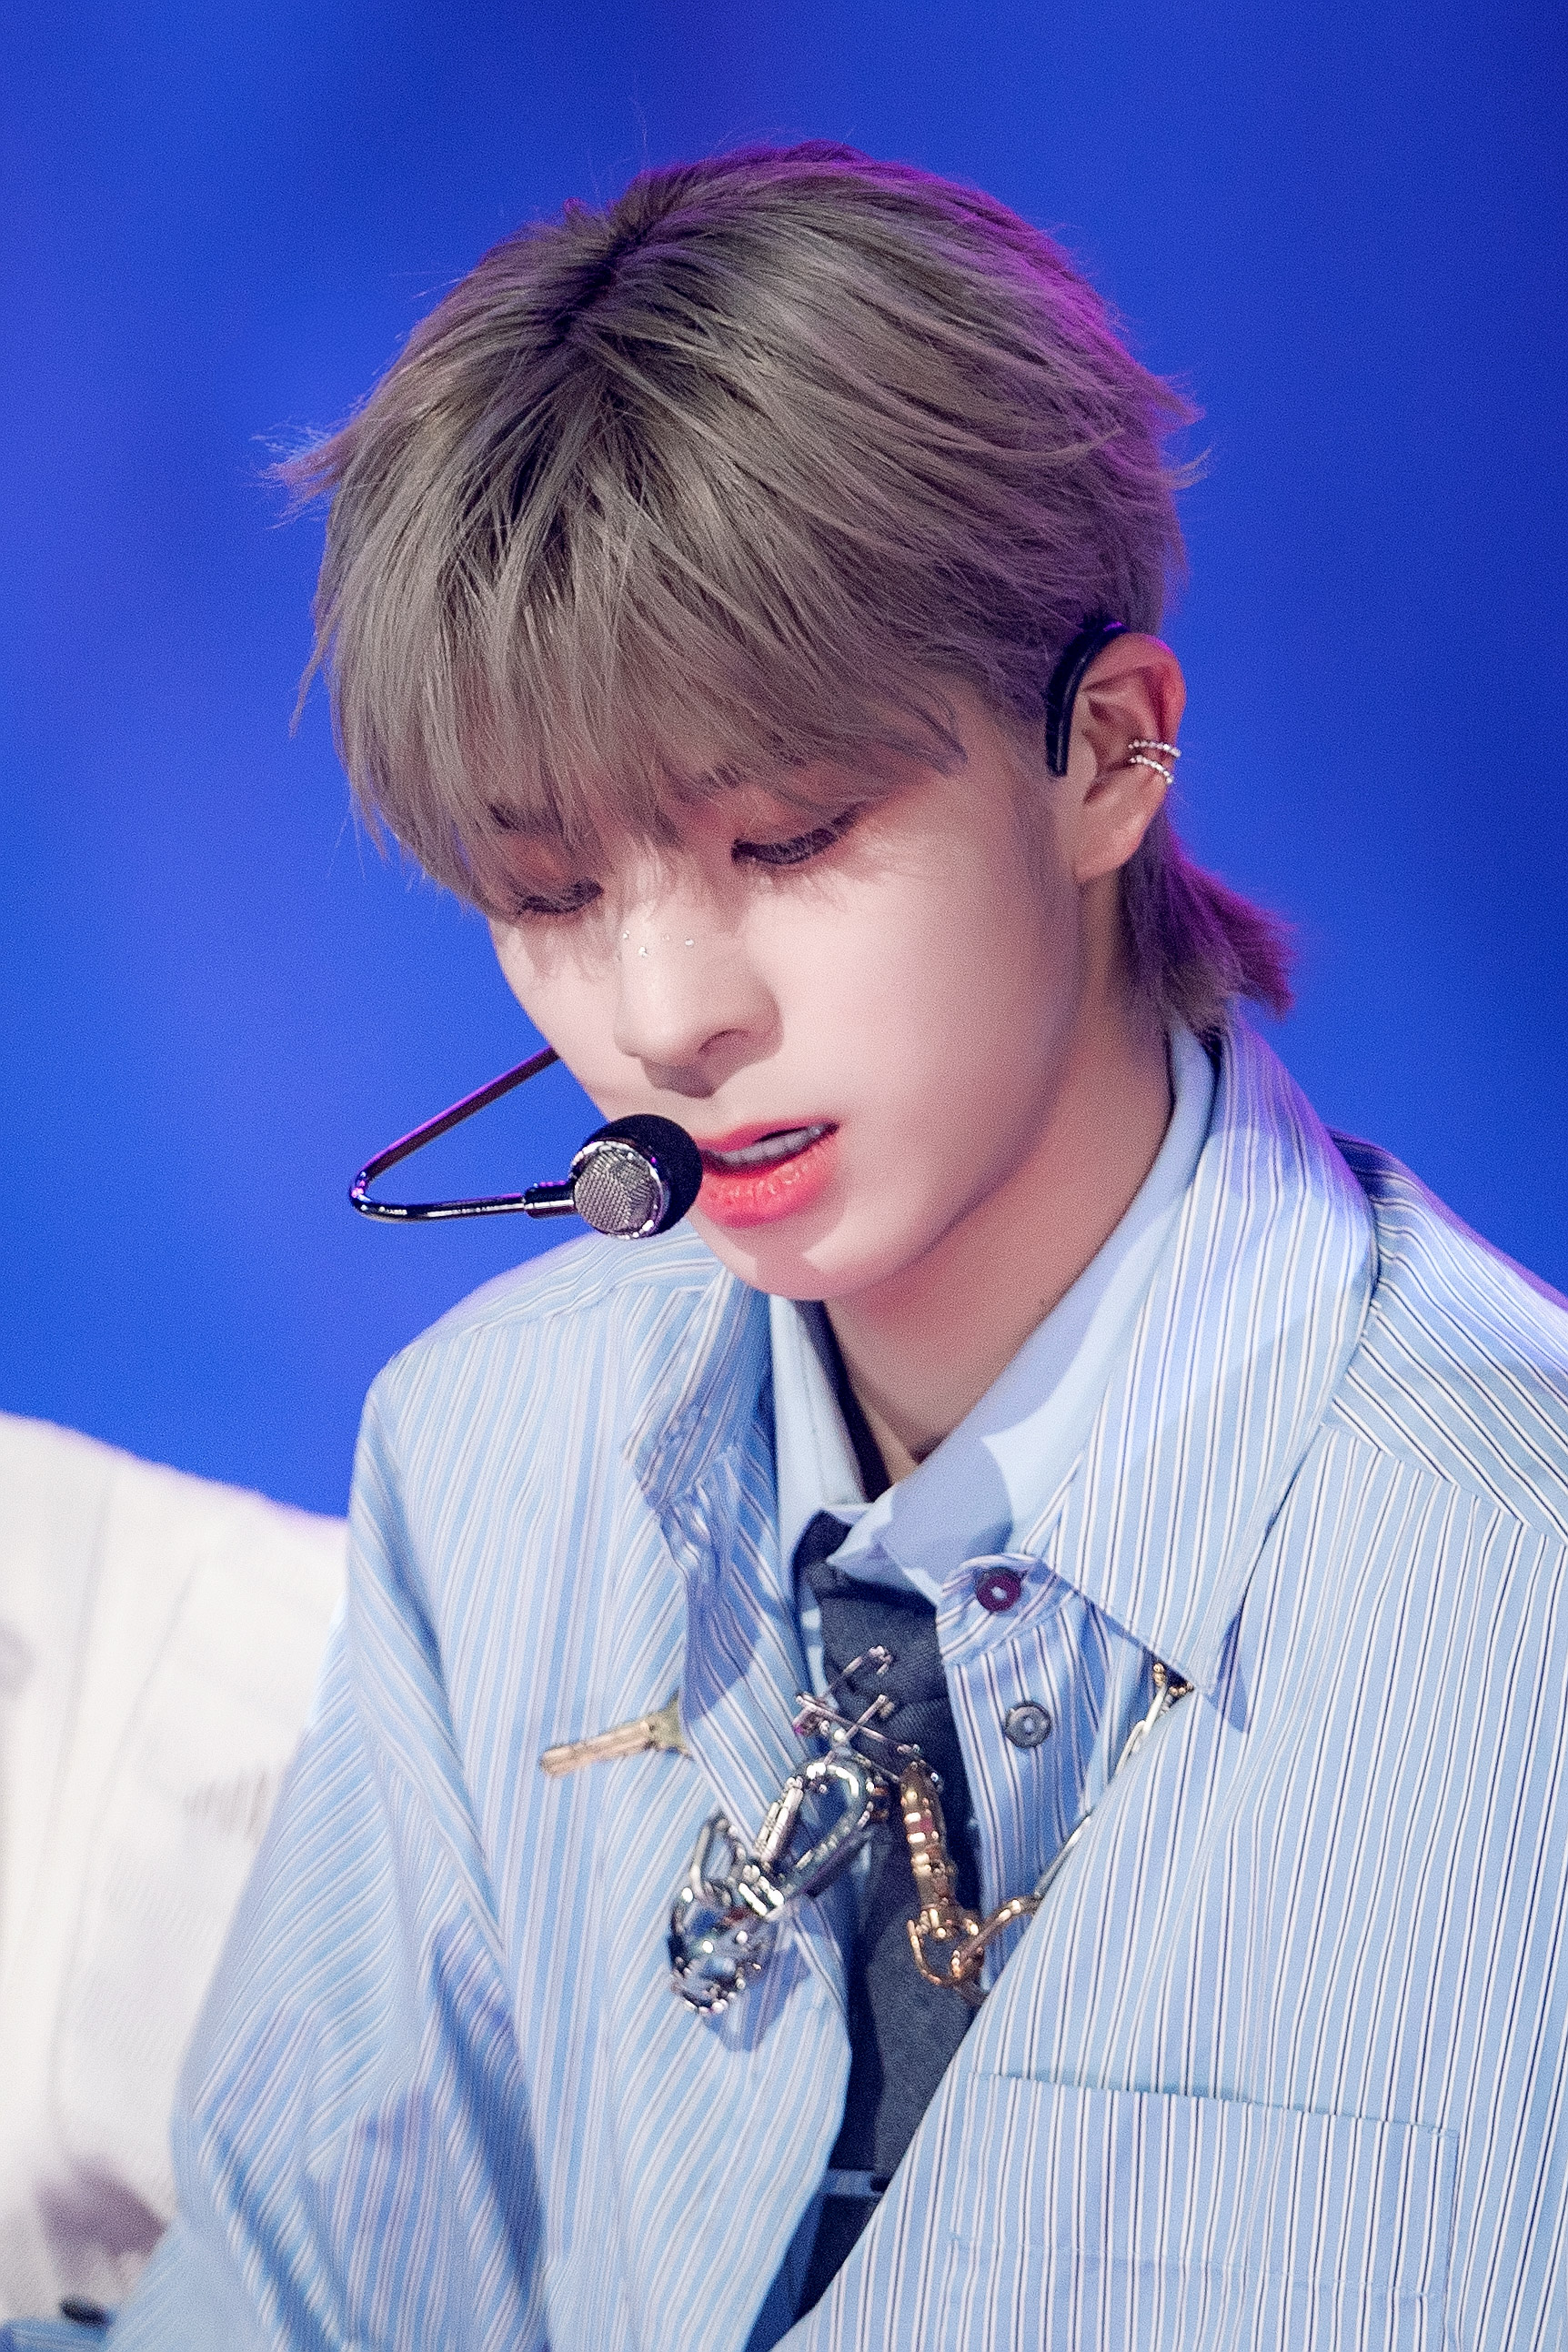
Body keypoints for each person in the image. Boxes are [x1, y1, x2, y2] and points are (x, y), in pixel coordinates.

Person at [103, 145, 1568, 2349]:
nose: (663, 1015)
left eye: (788, 839)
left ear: (1109, 754)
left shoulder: (1522, 1604)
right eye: (548, 895)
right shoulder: (485, 1455)